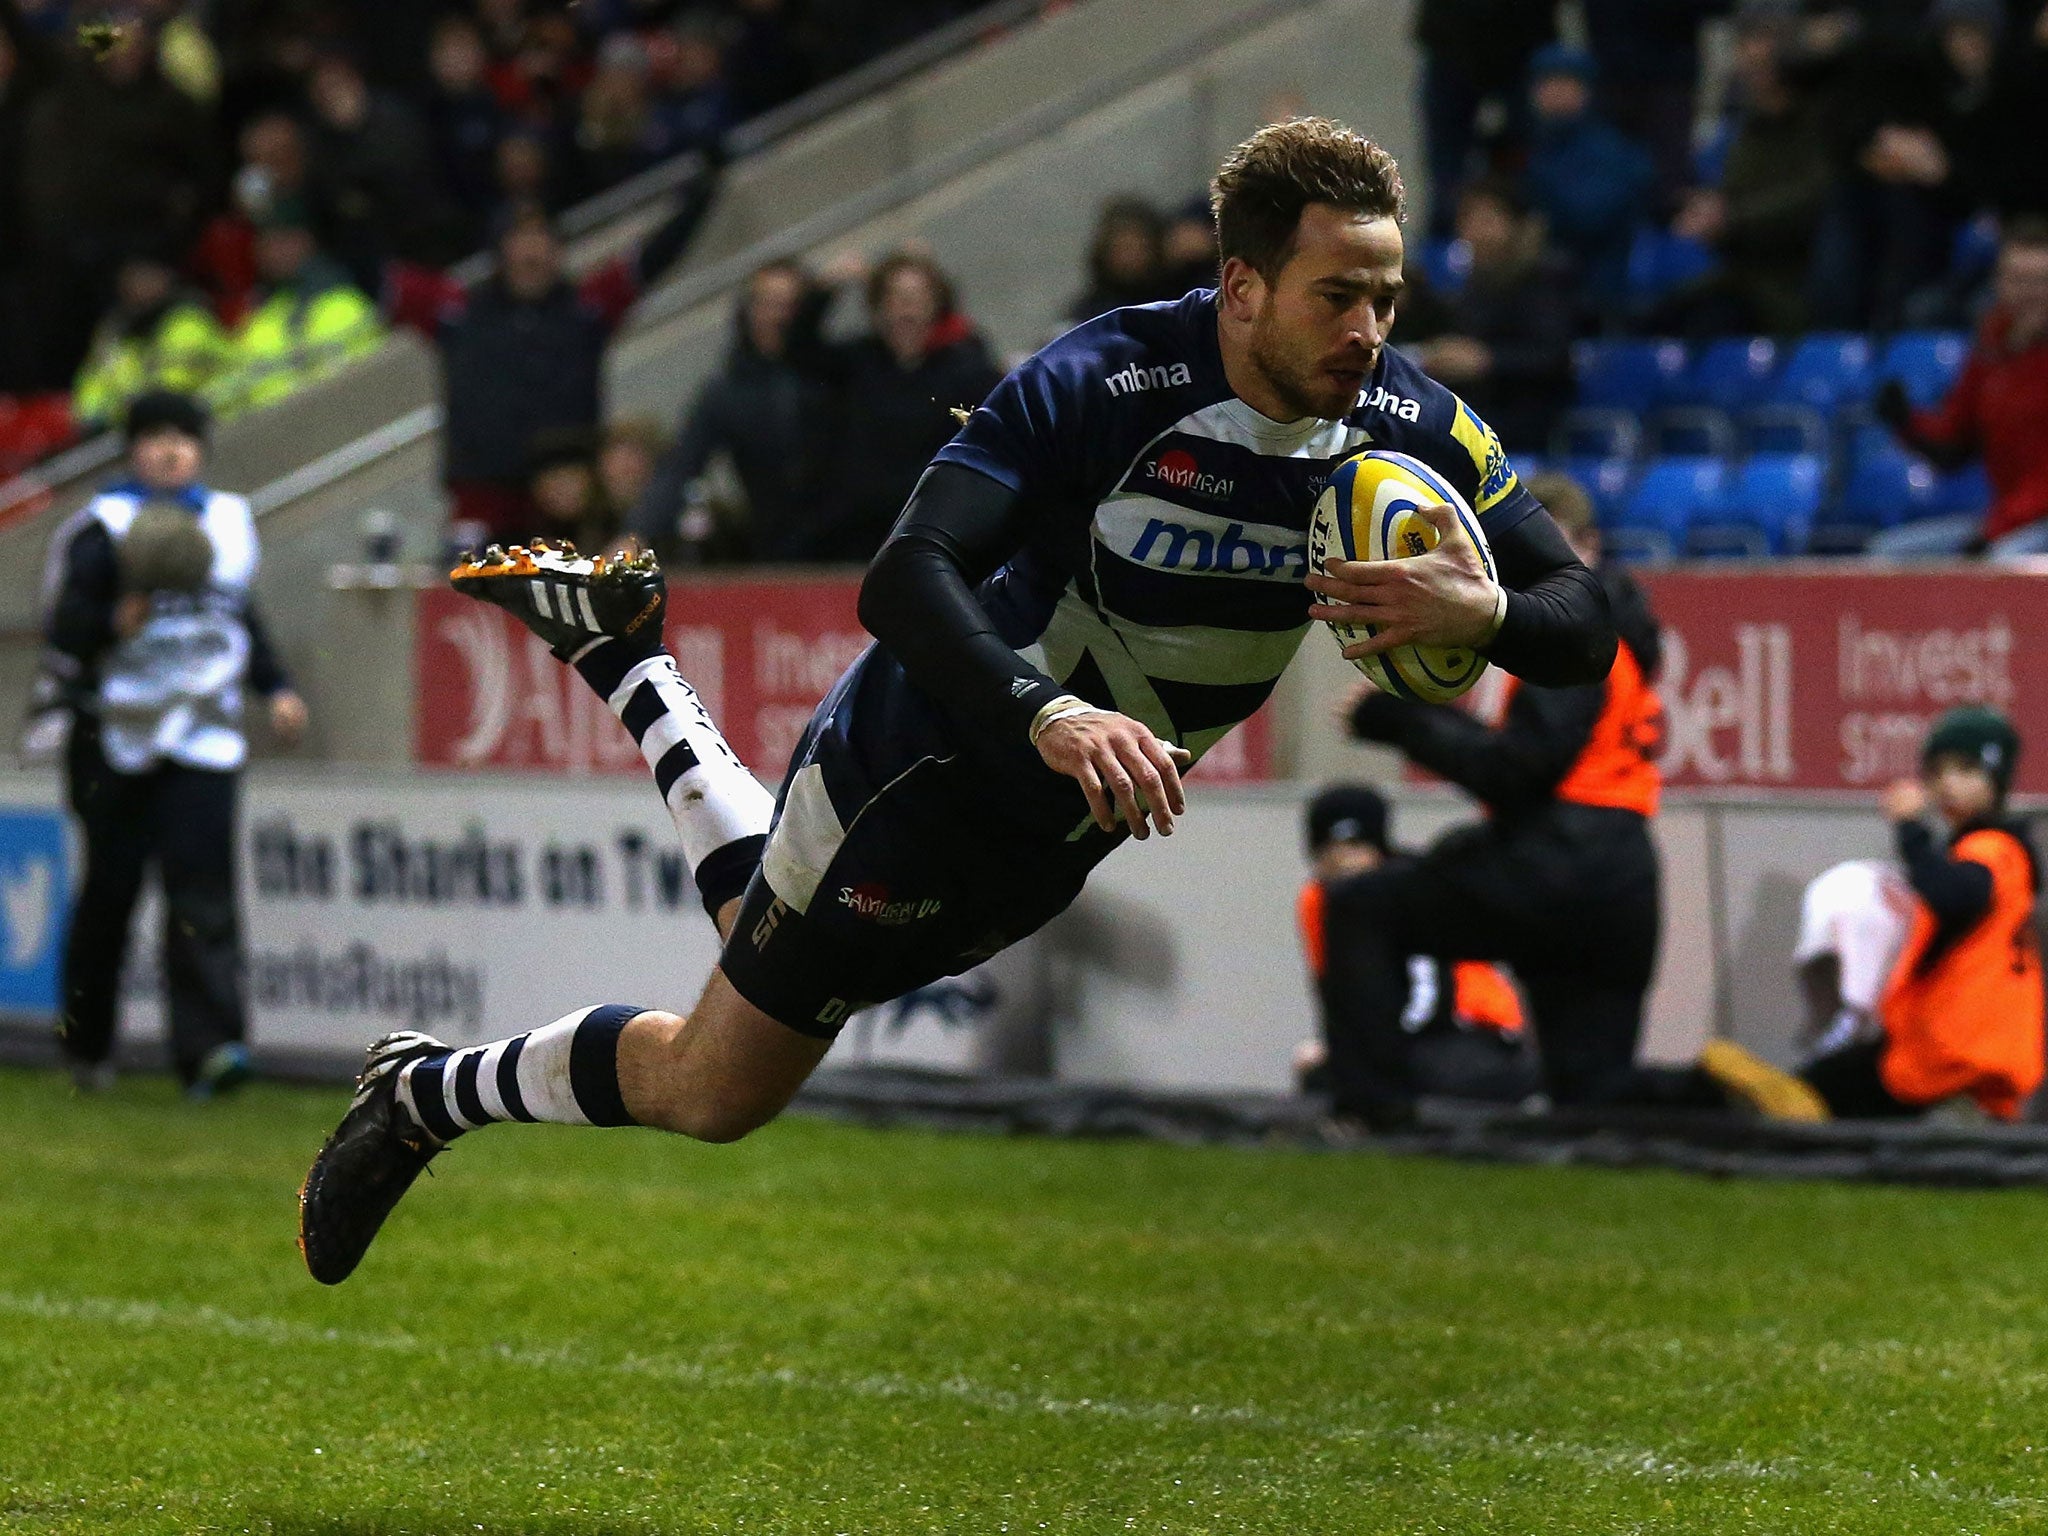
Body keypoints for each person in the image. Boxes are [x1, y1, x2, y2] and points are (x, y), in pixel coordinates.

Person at [297, 116, 1617, 1285]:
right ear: (1242, 286)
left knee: (788, 954)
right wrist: (1048, 710)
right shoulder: (1106, 384)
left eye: (1385, 296)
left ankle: (629, 662)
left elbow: (1584, 627)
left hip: (1079, 815)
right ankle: (423, 1093)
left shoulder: (1411, 419)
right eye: (1337, 297)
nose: (1368, 330)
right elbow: (905, 577)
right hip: (928, 758)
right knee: (719, 1085)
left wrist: (1484, 612)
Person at [1326, 470, 1661, 1127]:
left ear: (1585, 546)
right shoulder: (1622, 636)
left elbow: (1518, 772)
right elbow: (1535, 755)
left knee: (1363, 907)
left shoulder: (1570, 642)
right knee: (1591, 1106)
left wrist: (1401, 722)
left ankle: (1372, 1118)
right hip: (1625, 880)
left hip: (1558, 863)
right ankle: (1705, 1092)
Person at [40, 390, 308, 1098]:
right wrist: (110, 623)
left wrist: (275, 686)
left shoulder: (228, 521)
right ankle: (87, 1045)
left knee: (203, 900)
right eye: (155, 436)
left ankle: (212, 1051)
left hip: (204, 741)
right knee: (110, 897)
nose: (169, 450)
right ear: (132, 448)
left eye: (183, 438)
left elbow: (239, 617)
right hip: (113, 736)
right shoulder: (100, 526)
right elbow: (63, 630)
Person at [1677, 706, 2043, 1122]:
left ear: (1996, 779)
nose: (1948, 784)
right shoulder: (1993, 853)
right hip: (1961, 1047)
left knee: (1823, 1094)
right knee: (1839, 1087)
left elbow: (1952, 894)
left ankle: (1746, 1114)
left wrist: (1910, 828)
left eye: (1966, 769)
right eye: (1938, 772)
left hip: (1954, 1051)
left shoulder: (1993, 849)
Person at [387, 170, 720, 541]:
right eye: (519, 238)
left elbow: (649, 260)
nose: (531, 251)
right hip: (482, 507)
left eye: (540, 238)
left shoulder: (585, 308)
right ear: (500, 249)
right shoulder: (459, 311)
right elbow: (384, 280)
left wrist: (699, 194)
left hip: (570, 506)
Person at [1294, 784, 1538, 1106]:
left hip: (1470, 1029)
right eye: (1330, 850)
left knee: (1393, 1079)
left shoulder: (1404, 888)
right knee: (1327, 1077)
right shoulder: (1317, 902)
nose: (1343, 862)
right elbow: (1342, 992)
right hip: (1414, 1038)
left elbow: (1428, 998)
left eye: (1355, 847)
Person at [1865, 218, 2048, 560]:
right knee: (1888, 555)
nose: (2029, 293)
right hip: (2006, 521)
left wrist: (1994, 532)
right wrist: (1906, 420)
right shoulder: (1991, 350)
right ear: (1999, 283)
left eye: (2041, 282)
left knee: (2004, 562)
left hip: (2028, 523)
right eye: (2018, 280)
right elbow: (1954, 443)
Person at [802, 250, 1002, 563]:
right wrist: (825, 289)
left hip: (930, 528)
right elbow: (799, 350)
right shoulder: (858, 362)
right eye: (896, 297)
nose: (907, 309)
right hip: (857, 529)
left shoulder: (963, 368)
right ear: (878, 308)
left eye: (918, 297)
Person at [625, 258, 830, 561]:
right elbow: (681, 465)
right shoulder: (727, 391)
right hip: (773, 547)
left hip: (848, 542)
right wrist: (636, 534)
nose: (778, 317)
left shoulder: (835, 373)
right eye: (767, 303)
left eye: (790, 305)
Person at [1658, 0, 1831, 337]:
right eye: (1746, 42)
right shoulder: (1744, 129)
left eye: (1765, 40)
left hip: (1792, 287)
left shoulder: (1822, 120)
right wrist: (1709, 211)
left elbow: (1816, 199)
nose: (1754, 54)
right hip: (1744, 282)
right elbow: (1736, 199)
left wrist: (1730, 218)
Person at [1403, 177, 1575, 454]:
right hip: (1471, 417)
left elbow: (1554, 357)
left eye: (1486, 219)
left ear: (1515, 225)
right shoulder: (1473, 282)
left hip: (1525, 421)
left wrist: (1486, 360)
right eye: (1467, 220)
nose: (1473, 232)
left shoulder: (1544, 277)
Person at [213, 198, 385, 419]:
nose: (271, 250)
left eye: (283, 239)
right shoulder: (259, 319)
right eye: (265, 241)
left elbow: (370, 385)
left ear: (307, 240)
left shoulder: (344, 304)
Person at [1520, 43, 1658, 313]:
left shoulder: (1612, 150)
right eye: (1546, 84)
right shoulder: (1538, 147)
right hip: (1552, 287)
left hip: (1603, 286)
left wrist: (1537, 210)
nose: (1553, 93)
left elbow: (1592, 217)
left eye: (1564, 84)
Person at [71, 250, 233, 433]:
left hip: (212, 428)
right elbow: (88, 404)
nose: (137, 287)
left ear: (164, 278)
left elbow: (169, 390)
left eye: (145, 277)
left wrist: (125, 409)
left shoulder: (187, 322)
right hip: (144, 438)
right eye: (130, 280)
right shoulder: (116, 340)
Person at [1068, 197, 1173, 323]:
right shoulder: (1085, 318)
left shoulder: (1174, 311)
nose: (1129, 257)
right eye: (1121, 247)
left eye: (1137, 247)